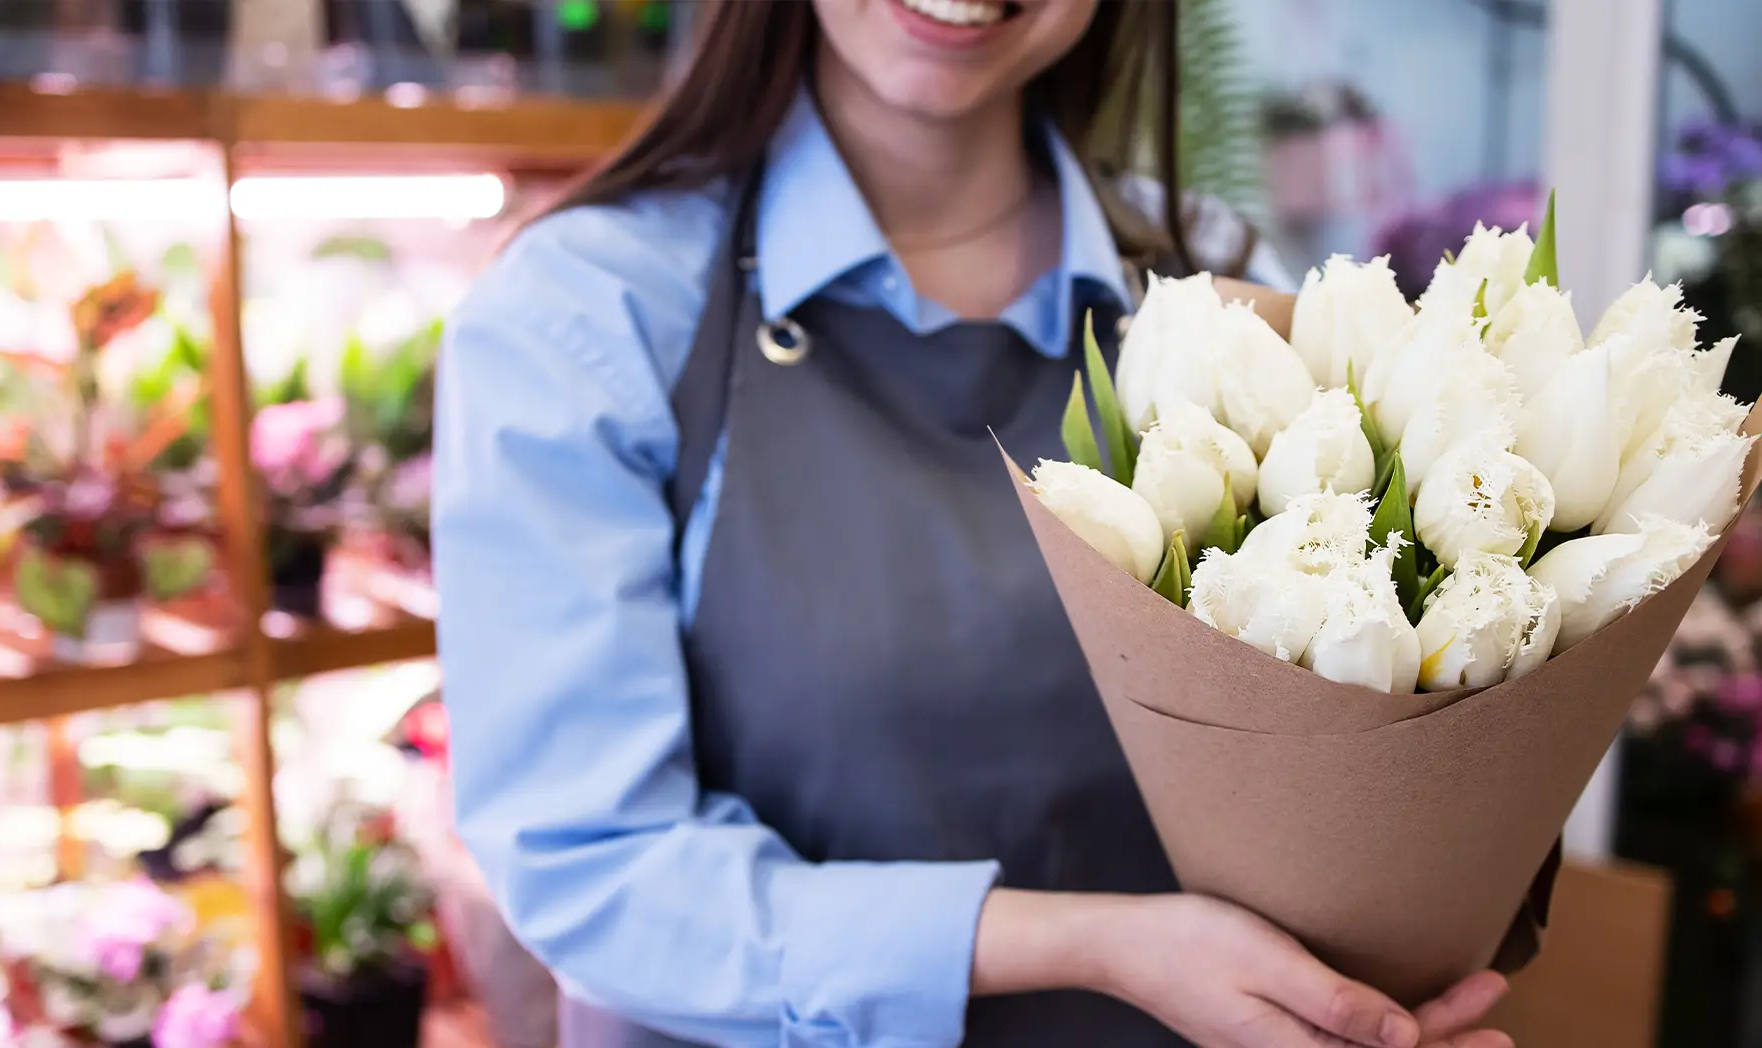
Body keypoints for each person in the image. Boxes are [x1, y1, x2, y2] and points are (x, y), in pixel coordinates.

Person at [433, 3, 1515, 1046]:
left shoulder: (1213, 279)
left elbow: (1345, 723)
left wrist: (1369, 1002)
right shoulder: (591, 314)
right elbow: (597, 865)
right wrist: (1101, 945)